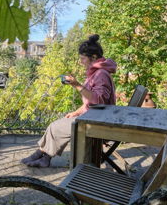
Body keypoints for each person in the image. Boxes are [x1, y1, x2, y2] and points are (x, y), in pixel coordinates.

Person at [21, 34, 117, 168]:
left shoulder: (101, 74)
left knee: (56, 127)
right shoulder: (97, 73)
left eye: (83, 58)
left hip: (98, 122)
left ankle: (43, 156)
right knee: (55, 125)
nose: (81, 62)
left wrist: (77, 84)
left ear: (93, 57)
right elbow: (90, 103)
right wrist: (76, 112)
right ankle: (42, 156)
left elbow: (98, 101)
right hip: (94, 116)